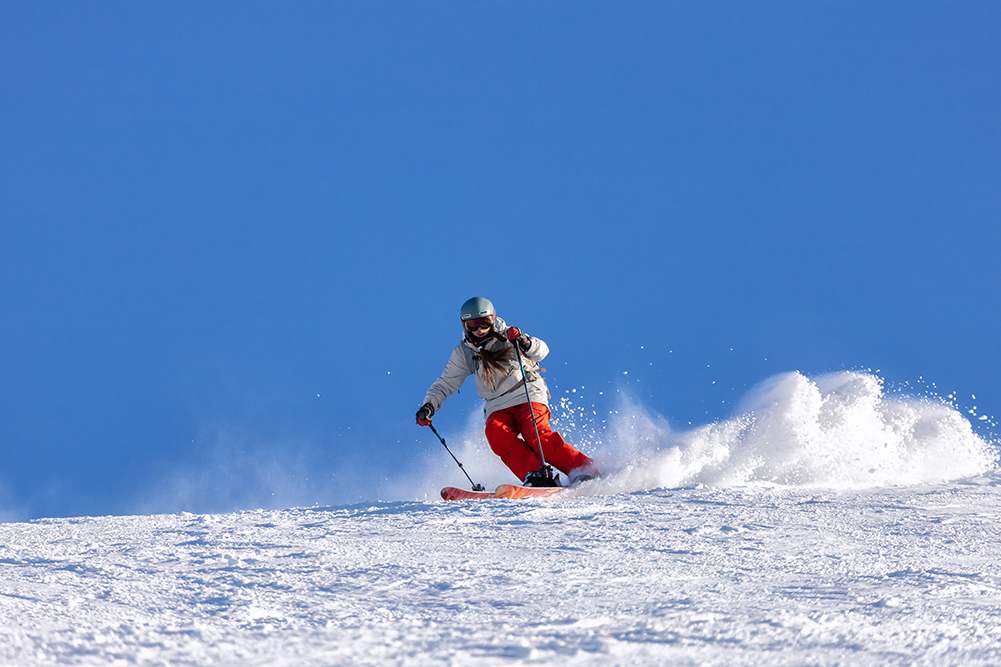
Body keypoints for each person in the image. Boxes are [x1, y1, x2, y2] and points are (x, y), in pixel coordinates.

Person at [416, 297, 599, 487]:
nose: (479, 329)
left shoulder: (508, 335)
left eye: (484, 322)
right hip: (497, 404)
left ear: (493, 319)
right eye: (472, 325)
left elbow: (542, 351)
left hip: (526, 392)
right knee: (497, 434)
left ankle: (582, 468)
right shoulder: (465, 352)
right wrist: (429, 406)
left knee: (536, 435)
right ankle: (537, 476)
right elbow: (446, 382)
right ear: (464, 325)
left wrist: (524, 341)